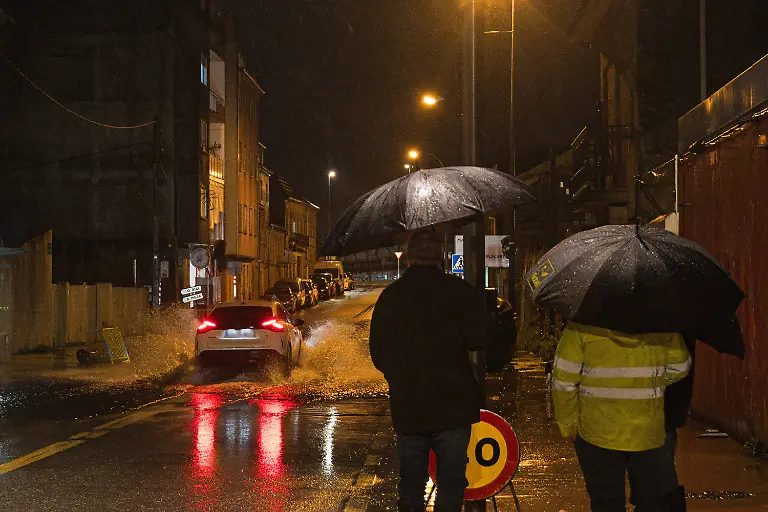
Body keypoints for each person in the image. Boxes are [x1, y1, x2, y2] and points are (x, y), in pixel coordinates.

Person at [369, 231, 488, 512]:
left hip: (409, 405)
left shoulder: (392, 296)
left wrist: (399, 377)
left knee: (411, 484)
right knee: (451, 483)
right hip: (454, 404)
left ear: (409, 257)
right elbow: (479, 340)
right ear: (440, 256)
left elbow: (378, 352)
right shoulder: (460, 292)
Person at [551, 322, 691, 511]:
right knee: (650, 502)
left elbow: (563, 380)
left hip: (597, 433)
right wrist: (650, 382)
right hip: (648, 432)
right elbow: (680, 366)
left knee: (606, 504)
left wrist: (569, 424)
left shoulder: (582, 324)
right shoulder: (660, 322)